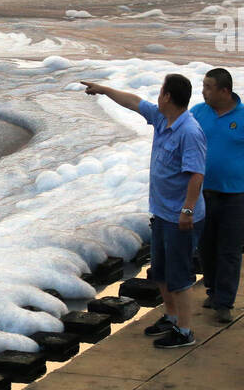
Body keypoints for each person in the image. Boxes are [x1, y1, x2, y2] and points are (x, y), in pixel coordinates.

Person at [81, 74, 206, 348]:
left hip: (180, 217)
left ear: (168, 97)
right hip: (162, 212)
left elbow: (197, 174)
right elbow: (134, 102)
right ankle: (171, 318)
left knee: (179, 275)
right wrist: (103, 90)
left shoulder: (189, 131)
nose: (157, 96)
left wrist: (187, 210)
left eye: (161, 91)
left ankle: (185, 332)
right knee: (160, 271)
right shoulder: (164, 119)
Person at [189, 67, 244, 323]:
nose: (203, 91)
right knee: (206, 247)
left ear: (225, 91)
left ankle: (224, 302)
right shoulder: (198, 113)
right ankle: (213, 290)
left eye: (208, 87)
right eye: (203, 85)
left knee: (230, 250)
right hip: (202, 193)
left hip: (233, 195)